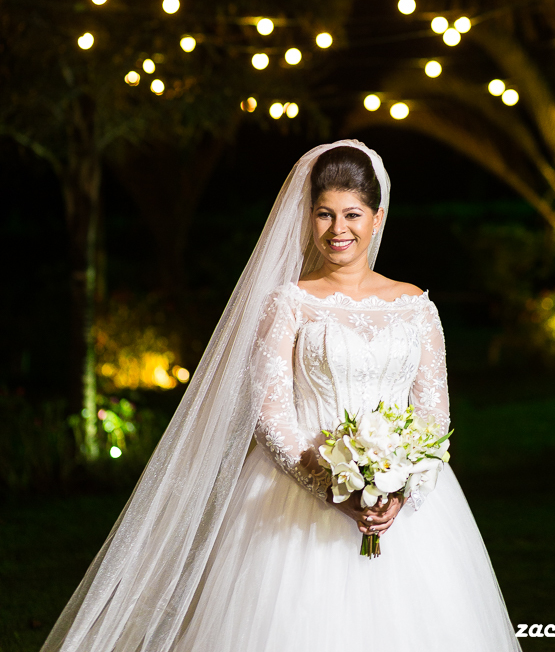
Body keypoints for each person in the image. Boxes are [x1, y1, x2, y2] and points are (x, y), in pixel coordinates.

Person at [42, 140, 521, 652]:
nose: (338, 230)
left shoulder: (415, 306)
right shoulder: (288, 302)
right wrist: (334, 490)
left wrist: (400, 492)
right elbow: (270, 414)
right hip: (298, 496)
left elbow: (433, 415)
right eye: (325, 214)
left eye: (352, 214)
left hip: (408, 509)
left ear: (377, 218)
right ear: (309, 218)